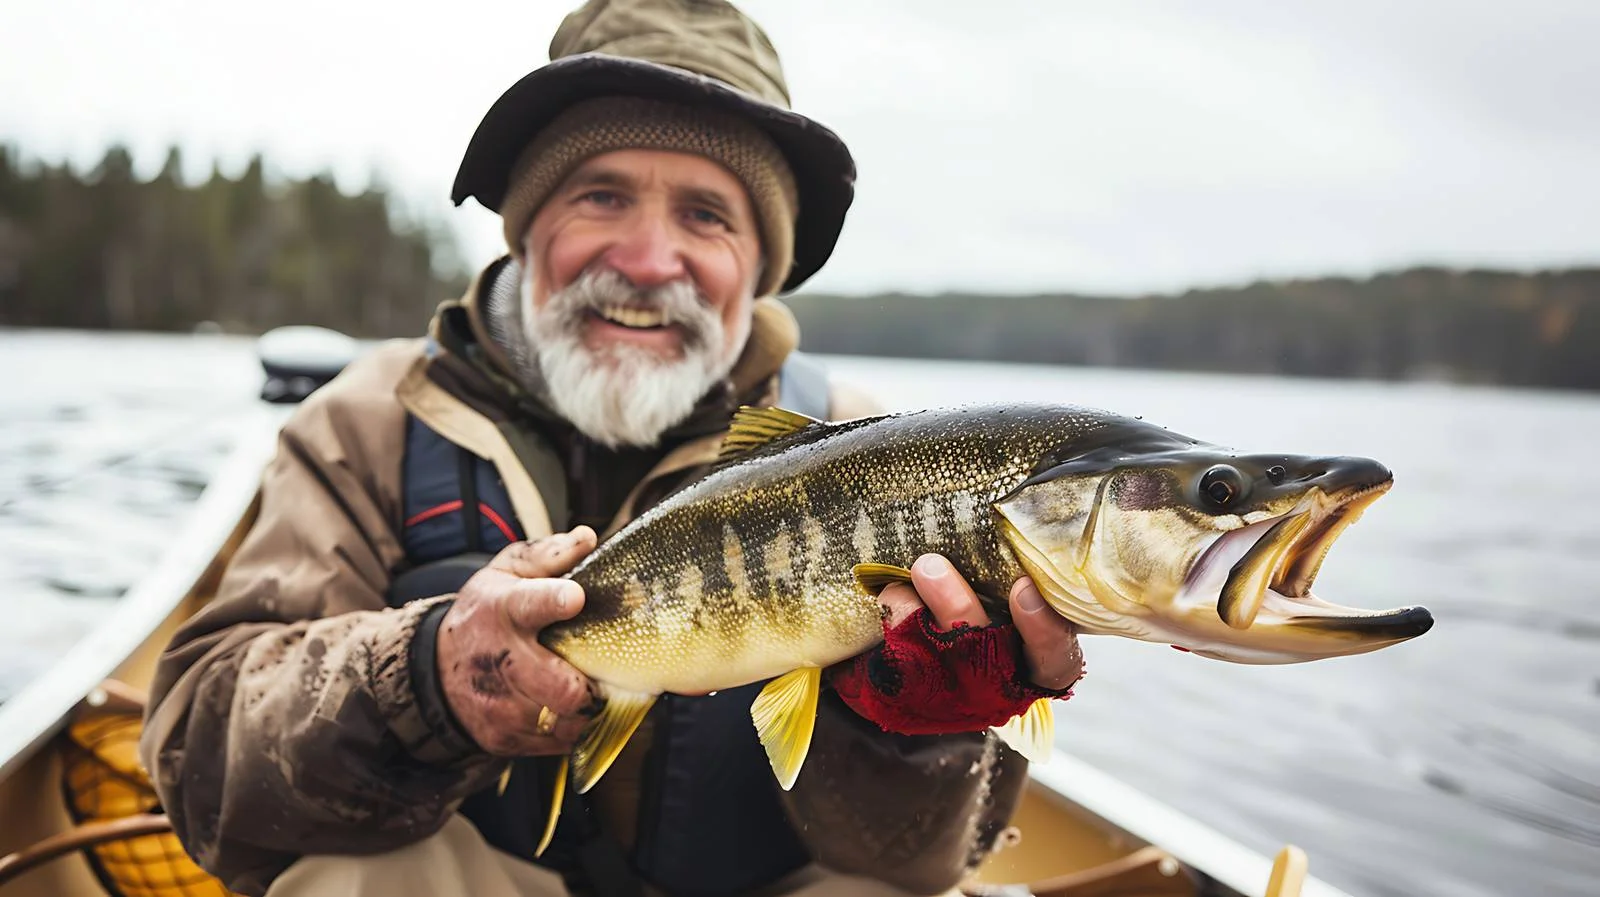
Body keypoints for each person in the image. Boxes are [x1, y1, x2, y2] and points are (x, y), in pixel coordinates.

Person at [139, 2, 1085, 896]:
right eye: (602, 196)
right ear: (527, 229)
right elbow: (201, 766)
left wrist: (920, 722)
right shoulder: (368, 420)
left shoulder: (867, 451)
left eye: (706, 215)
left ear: (759, 264)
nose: (647, 260)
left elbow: (915, 862)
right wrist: (426, 674)